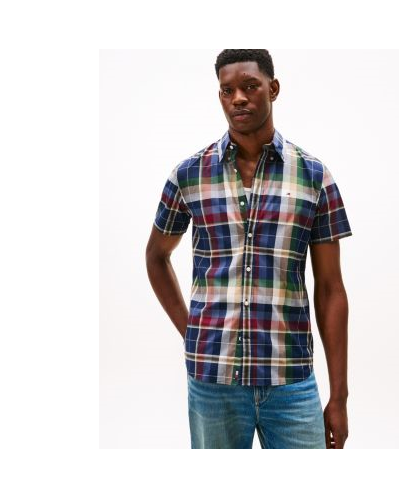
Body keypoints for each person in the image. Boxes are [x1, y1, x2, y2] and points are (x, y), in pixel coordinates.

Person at [146, 49, 352, 449]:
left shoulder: (314, 177)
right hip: (213, 382)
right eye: (228, 91)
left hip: (290, 379)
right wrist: (192, 332)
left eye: (250, 86)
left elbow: (331, 289)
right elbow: (156, 257)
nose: (238, 98)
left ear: (273, 89)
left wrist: (339, 397)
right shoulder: (189, 175)